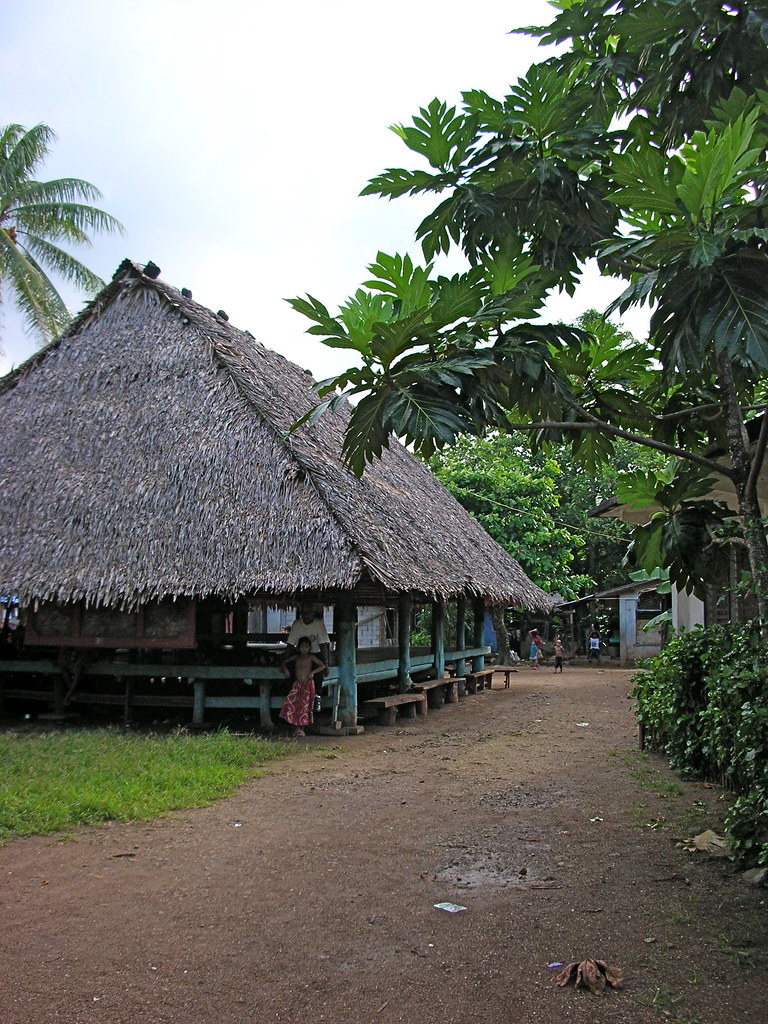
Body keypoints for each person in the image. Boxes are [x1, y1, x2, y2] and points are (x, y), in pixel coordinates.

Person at [279, 637, 326, 736]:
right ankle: (295, 727)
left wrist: (313, 672)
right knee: (291, 704)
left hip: (307, 684)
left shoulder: (311, 657)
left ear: (309, 648)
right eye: (302, 647)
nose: (304, 649)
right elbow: (284, 662)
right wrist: (286, 670)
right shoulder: (296, 657)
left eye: (306, 647)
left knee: (304, 707)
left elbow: (322, 665)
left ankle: (300, 729)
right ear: (298, 648)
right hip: (297, 684)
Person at [285, 601, 330, 674]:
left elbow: (323, 645)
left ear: (312, 612)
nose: (305, 615)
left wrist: (326, 664)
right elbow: (290, 644)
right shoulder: (297, 624)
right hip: (300, 655)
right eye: (303, 613)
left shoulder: (318, 624)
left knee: (318, 676)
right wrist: (285, 662)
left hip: (315, 655)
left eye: (307, 613)